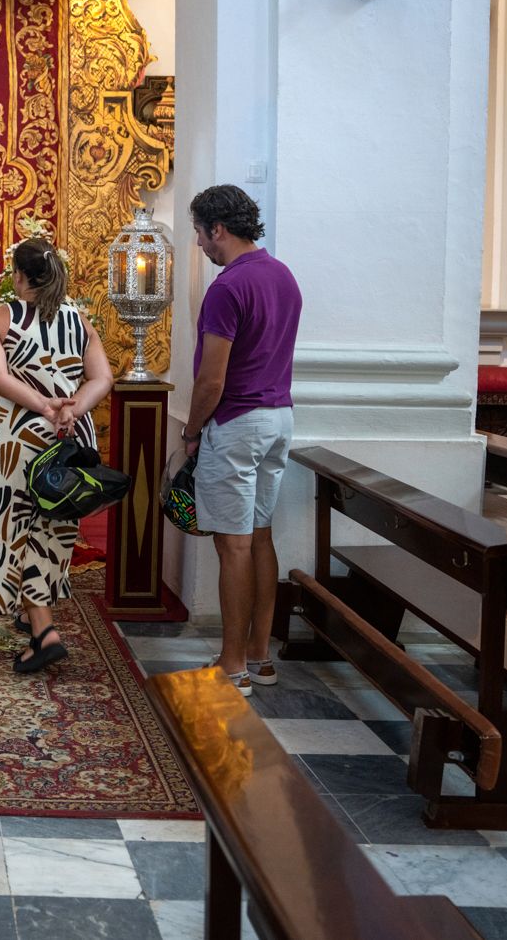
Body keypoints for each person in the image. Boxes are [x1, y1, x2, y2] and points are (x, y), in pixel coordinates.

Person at [179, 185, 302, 697]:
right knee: (261, 536)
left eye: (201, 235)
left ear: (219, 230)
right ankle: (260, 655)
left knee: (233, 547)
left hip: (238, 422)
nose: (201, 246)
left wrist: (189, 433)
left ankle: (232, 667)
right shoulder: (283, 276)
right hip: (279, 418)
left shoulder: (228, 288)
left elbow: (212, 380)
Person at [0, 239, 113, 672]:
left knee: (19, 525)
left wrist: (43, 406)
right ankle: (31, 612)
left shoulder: (4, 317)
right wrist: (71, 406)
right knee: (55, 526)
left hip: (26, 433)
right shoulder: (78, 318)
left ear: (19, 276)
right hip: (72, 434)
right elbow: (103, 377)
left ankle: (44, 631)